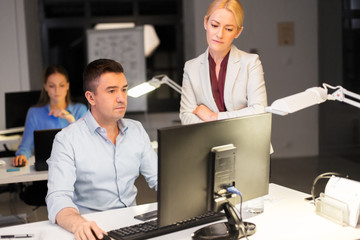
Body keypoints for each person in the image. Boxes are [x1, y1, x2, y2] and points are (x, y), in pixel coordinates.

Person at [46, 59, 157, 240]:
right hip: (94, 228)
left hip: (134, 225)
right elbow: (57, 198)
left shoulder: (136, 130)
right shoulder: (66, 140)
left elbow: (160, 177)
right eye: (112, 91)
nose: (121, 97)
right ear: (91, 98)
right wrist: (78, 224)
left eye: (124, 89)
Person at [180, 0, 267, 125]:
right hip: (210, 143)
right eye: (215, 25)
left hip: (248, 141)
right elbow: (186, 117)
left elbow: (259, 111)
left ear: (238, 32)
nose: (220, 34)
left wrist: (213, 117)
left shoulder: (251, 63)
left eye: (229, 29)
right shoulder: (191, 68)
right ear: (205, 23)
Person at [12, 65, 87, 167]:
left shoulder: (80, 110)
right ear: (45, 87)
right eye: (52, 86)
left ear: (67, 86)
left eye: (61, 85)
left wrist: (71, 120)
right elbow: (26, 145)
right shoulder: (34, 112)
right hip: (44, 169)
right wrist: (21, 155)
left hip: (74, 168)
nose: (57, 90)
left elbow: (85, 145)